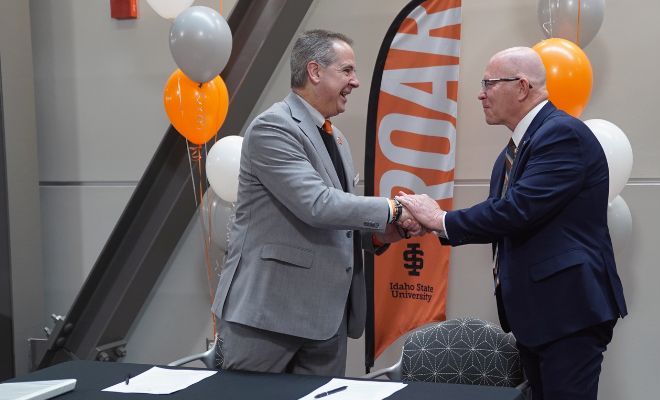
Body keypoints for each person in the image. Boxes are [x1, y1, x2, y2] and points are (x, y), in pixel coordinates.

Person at [397, 47, 627, 399]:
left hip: (568, 313)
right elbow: (501, 214)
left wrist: (439, 219)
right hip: (541, 316)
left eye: (489, 83)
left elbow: (517, 210)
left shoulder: (561, 135)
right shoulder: (516, 150)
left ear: (521, 87)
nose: (481, 93)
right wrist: (429, 223)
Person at [211, 29, 421, 376]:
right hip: (269, 318)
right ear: (314, 71)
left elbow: (339, 219)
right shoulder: (273, 128)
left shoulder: (335, 137)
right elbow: (318, 205)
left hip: (327, 321)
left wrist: (381, 234)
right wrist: (394, 208)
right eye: (347, 70)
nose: (355, 82)